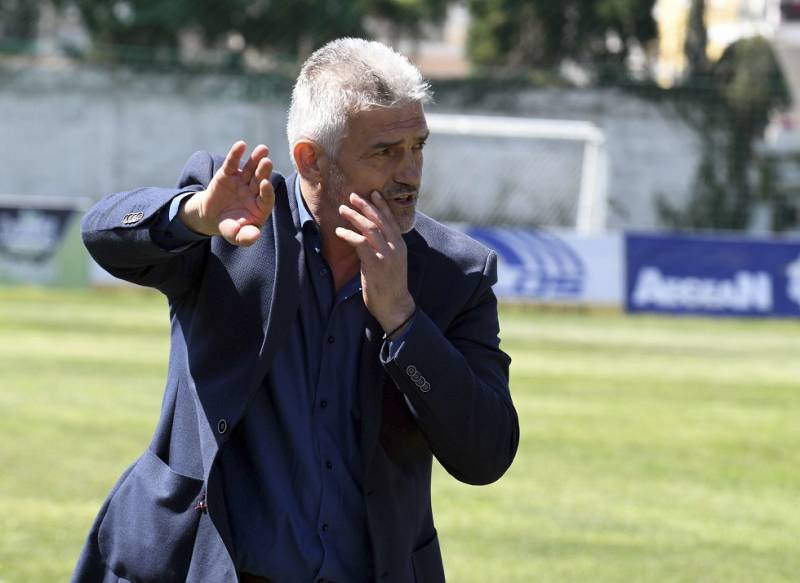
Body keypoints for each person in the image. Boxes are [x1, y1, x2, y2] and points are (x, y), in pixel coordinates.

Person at [73, 38, 519, 583]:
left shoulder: (457, 273)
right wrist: (194, 216)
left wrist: (403, 319)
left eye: (417, 146)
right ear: (311, 159)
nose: (410, 173)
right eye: (385, 152)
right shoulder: (233, 222)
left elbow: (485, 455)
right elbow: (102, 234)